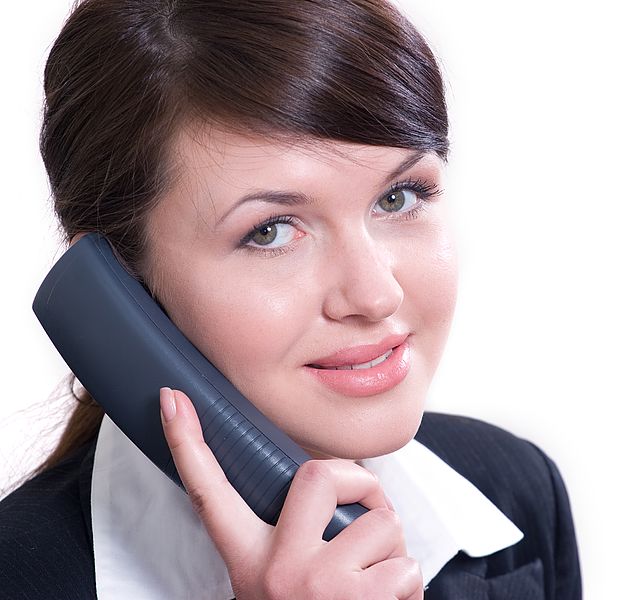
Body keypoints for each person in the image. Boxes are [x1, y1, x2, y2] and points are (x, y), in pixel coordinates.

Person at [0, 0, 581, 598]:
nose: (376, 294)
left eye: (400, 197)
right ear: (118, 287)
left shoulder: (514, 492)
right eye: (271, 231)